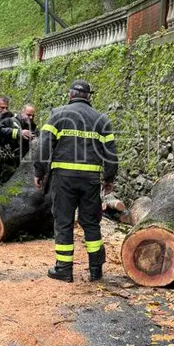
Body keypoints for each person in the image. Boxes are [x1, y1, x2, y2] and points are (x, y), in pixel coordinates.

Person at [34, 80, 117, 282]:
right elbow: (111, 154)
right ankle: (96, 269)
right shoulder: (101, 119)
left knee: (63, 222)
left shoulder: (57, 115)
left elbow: (44, 145)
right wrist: (109, 178)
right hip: (90, 180)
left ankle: (63, 269)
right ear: (89, 97)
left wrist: (40, 171)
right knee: (90, 223)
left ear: (70, 95)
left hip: (63, 180)